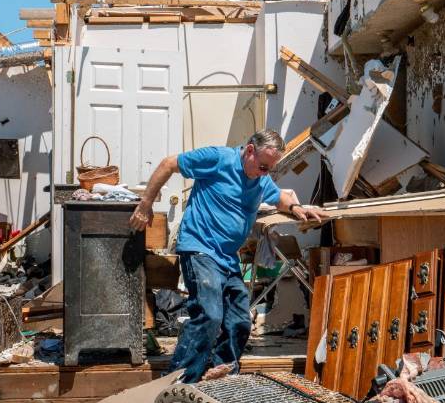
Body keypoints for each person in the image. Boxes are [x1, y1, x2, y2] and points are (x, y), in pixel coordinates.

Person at [130, 129, 325, 383]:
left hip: (227, 257)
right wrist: (145, 205)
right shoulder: (218, 159)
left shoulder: (261, 178)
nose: (265, 173)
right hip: (200, 248)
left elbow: (280, 198)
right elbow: (169, 164)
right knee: (210, 315)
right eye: (264, 166)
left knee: (240, 321)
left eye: (270, 169)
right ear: (250, 150)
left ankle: (221, 374)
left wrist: (297, 208)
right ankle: (178, 379)